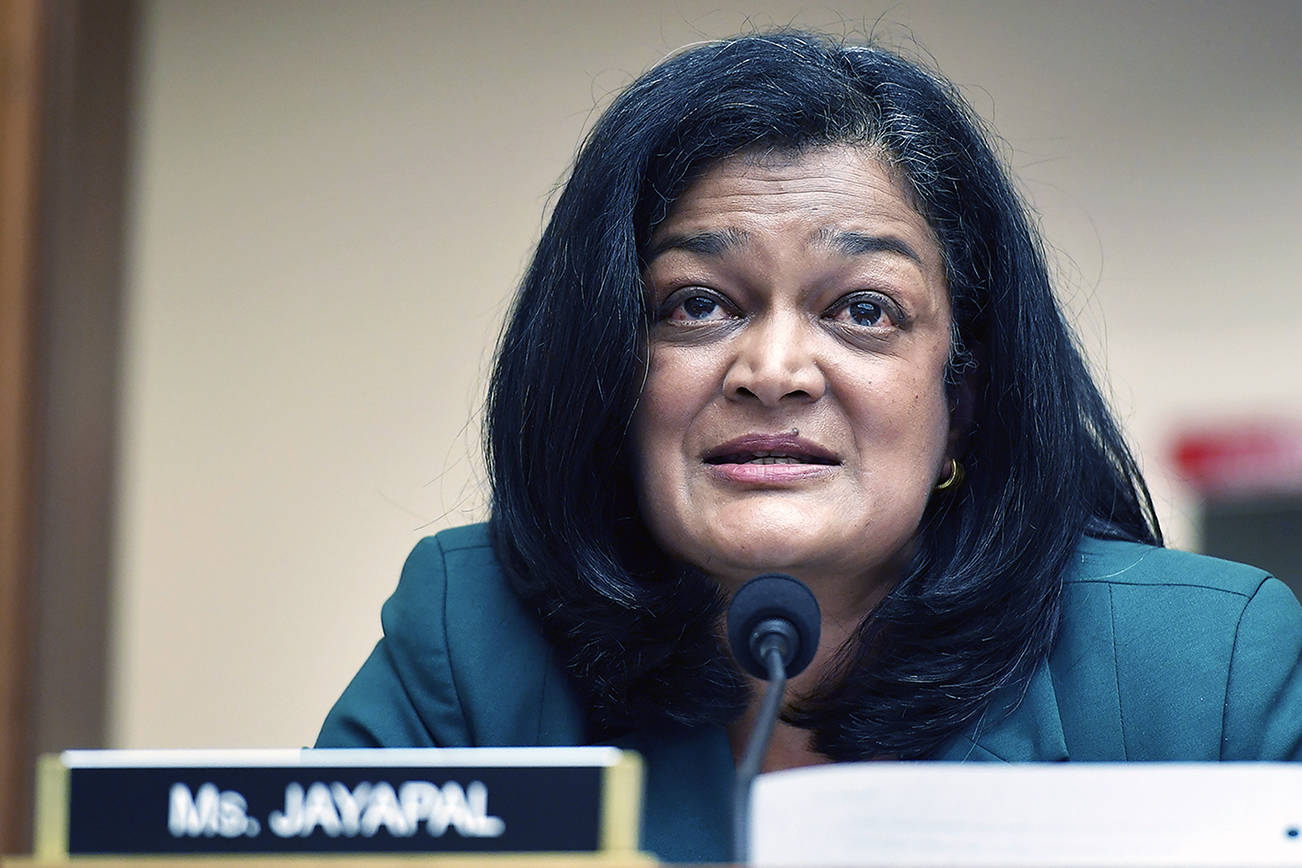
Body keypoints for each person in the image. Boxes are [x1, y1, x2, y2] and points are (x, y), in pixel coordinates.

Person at [317, 31, 1302, 862]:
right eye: (697, 305)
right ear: (609, 368)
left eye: (862, 309)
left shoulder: (1200, 670)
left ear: (962, 396)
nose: (775, 368)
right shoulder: (472, 638)